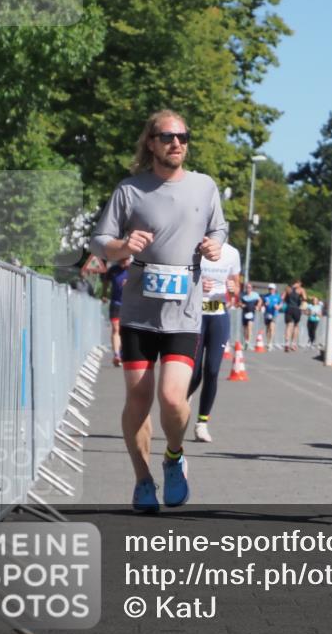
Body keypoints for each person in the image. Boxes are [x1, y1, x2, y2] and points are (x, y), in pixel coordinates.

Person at [89, 109, 226, 512]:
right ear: (151, 142)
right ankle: (142, 479)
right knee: (138, 399)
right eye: (168, 137)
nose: (177, 143)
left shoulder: (204, 187)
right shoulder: (130, 190)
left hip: (183, 312)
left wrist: (215, 245)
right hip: (138, 314)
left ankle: (174, 455)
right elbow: (100, 241)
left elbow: (218, 228)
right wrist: (122, 247)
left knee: (171, 397)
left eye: (183, 136)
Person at [187, 242, 241, 442]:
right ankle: (182, 402)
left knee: (212, 370)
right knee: (194, 372)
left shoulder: (231, 253)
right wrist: (198, 285)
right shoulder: (193, 248)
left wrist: (233, 289)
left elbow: (236, 289)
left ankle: (202, 423)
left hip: (218, 314)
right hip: (195, 315)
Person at [101, 257, 131, 367]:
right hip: (116, 304)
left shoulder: (133, 269)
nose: (123, 262)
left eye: (126, 260)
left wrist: (130, 283)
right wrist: (104, 294)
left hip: (130, 305)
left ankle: (123, 352)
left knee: (125, 330)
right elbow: (105, 281)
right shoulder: (113, 270)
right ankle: (117, 355)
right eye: (121, 260)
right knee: (115, 329)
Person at [282, 279, 305, 352]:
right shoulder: (301, 289)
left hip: (289, 308)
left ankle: (287, 343)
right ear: (299, 283)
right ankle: (293, 344)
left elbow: (282, 297)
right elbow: (305, 298)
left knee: (289, 326)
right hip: (296, 309)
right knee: (296, 326)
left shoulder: (288, 288)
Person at [240, 282, 262, 347]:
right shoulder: (242, 295)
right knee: (245, 328)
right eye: (247, 287)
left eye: (249, 287)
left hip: (251, 312)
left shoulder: (255, 295)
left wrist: (258, 306)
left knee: (249, 327)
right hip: (244, 313)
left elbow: (260, 301)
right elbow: (239, 303)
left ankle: (248, 342)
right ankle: (245, 340)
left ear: (251, 288)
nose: (248, 289)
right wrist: (241, 305)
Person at [263, 282, 282, 350]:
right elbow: (263, 304)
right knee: (268, 328)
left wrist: (278, 307)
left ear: (274, 289)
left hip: (274, 314)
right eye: (269, 289)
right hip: (267, 314)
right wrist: (265, 304)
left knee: (271, 327)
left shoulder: (277, 296)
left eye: (272, 289)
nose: (270, 290)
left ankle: (270, 342)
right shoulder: (266, 296)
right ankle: (268, 342)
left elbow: (281, 304)